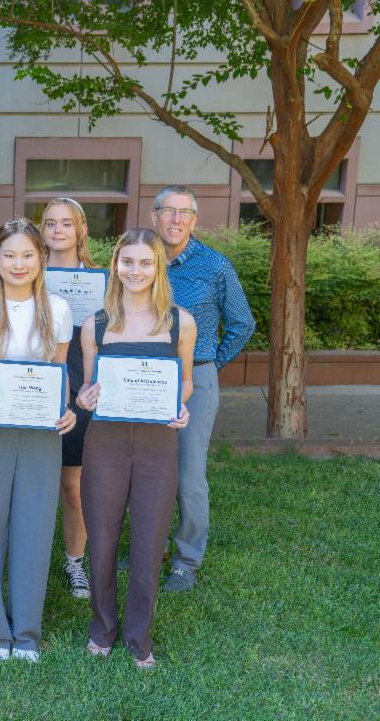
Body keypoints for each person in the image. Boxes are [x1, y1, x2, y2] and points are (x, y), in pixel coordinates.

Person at [0, 219, 76, 663]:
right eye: (10, 255)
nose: (18, 264)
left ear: (41, 259)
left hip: (42, 427)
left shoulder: (58, 310)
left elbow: (60, 371)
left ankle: (26, 629)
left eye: (27, 255)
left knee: (36, 524)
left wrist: (66, 409)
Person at [75, 227, 195, 668]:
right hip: (105, 440)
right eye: (127, 261)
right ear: (115, 266)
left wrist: (180, 406)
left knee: (148, 540)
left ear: (158, 267)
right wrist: (84, 398)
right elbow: (89, 385)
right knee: (102, 538)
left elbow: (184, 383)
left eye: (145, 262)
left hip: (157, 442)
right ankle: (103, 628)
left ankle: (139, 637)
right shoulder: (97, 324)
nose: (135, 270)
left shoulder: (180, 322)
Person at [151, 185, 255, 592]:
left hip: (196, 379)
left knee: (189, 474)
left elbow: (243, 323)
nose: (176, 220)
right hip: (143, 379)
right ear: (155, 216)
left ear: (195, 220)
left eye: (185, 213)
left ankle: (186, 560)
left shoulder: (215, 266)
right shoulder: (142, 259)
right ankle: (151, 548)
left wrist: (210, 362)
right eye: (168, 211)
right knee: (149, 470)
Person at [39, 197, 99, 599]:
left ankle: (75, 560)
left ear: (81, 230)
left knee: (74, 486)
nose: (58, 230)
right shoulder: (26, 275)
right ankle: (30, 556)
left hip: (81, 394)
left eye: (66, 223)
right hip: (33, 391)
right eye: (50, 223)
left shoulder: (103, 281)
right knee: (34, 482)